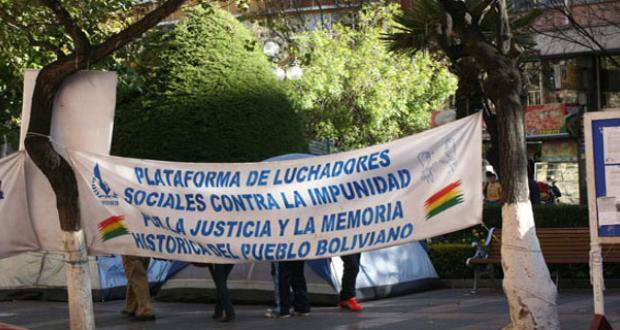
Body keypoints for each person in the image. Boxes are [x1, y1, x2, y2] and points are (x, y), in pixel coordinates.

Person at [121, 255, 156, 321]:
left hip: (129, 248)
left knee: (136, 276)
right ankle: (131, 306)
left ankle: (145, 310)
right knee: (135, 274)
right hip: (143, 247)